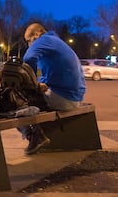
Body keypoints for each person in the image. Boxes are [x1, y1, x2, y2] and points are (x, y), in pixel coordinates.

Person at [21, 23, 86, 154]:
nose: (29, 44)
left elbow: (28, 58)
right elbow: (52, 74)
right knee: (30, 95)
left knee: (16, 102)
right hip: (75, 97)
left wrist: (32, 83)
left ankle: (35, 136)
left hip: (64, 98)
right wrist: (39, 83)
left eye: (28, 40)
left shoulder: (44, 40)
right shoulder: (56, 41)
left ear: (37, 34)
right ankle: (36, 135)